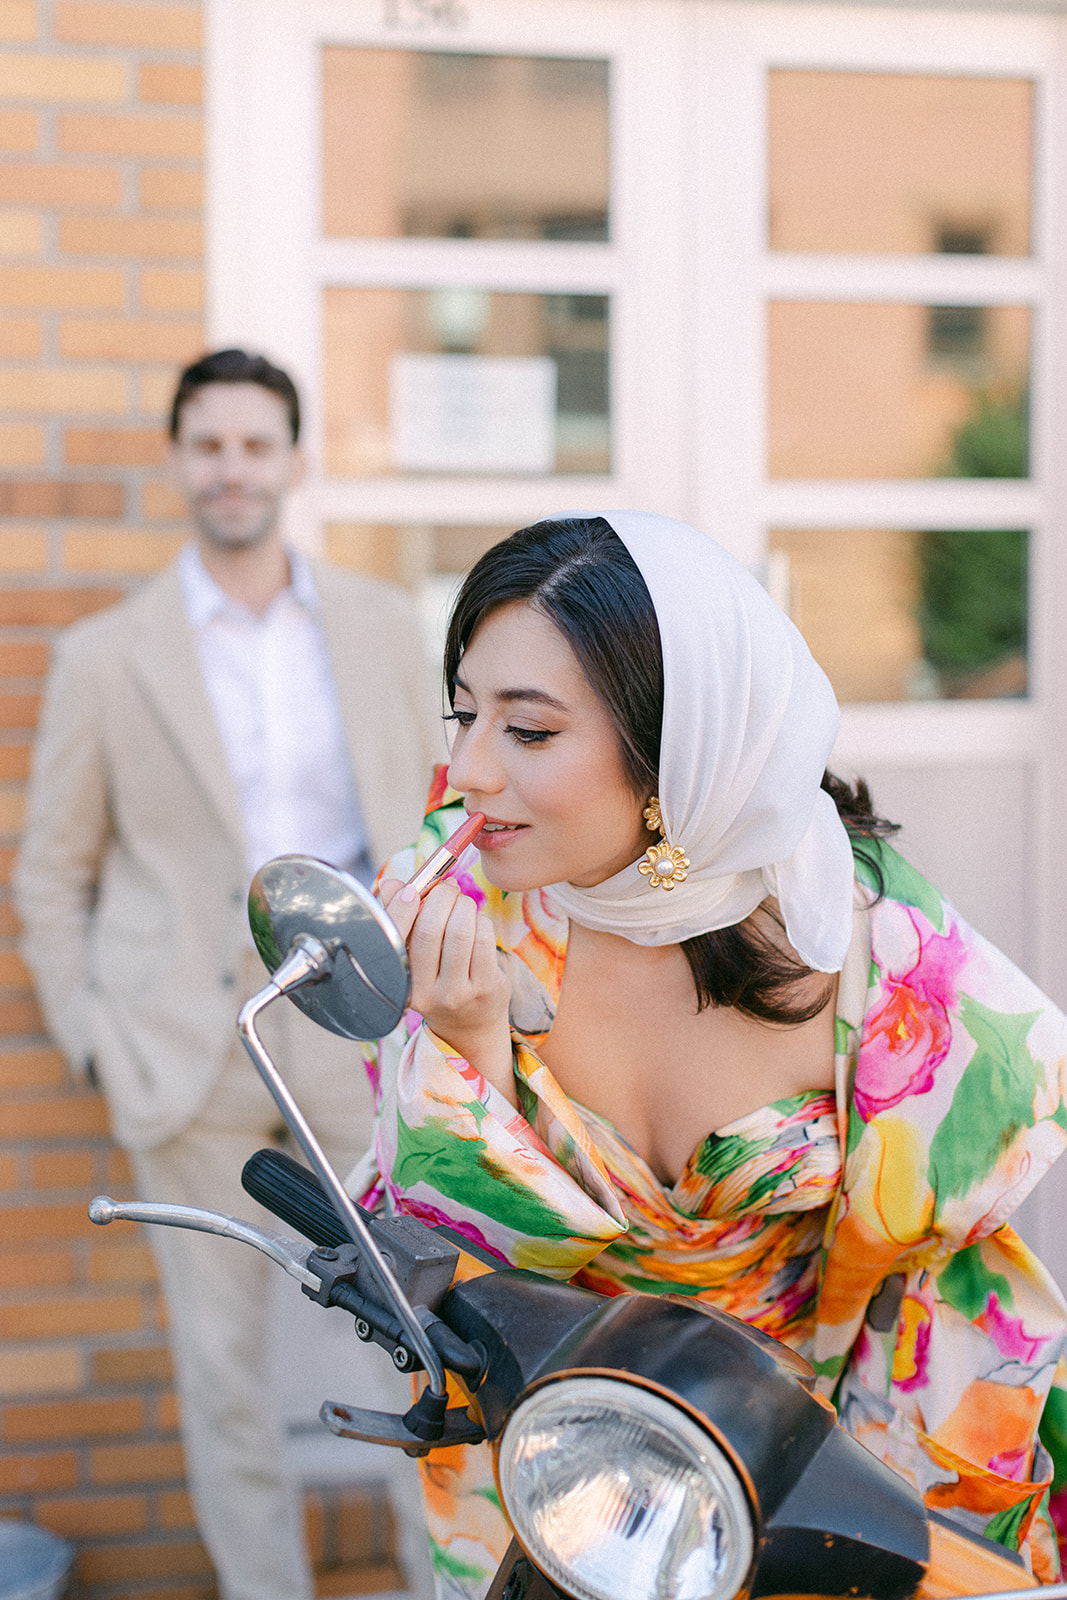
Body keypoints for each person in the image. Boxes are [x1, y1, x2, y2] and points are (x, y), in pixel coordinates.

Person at [353, 510, 1067, 1600]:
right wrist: (465, 1051)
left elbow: (953, 1220)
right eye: (462, 713)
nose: (464, 771)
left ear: (673, 749)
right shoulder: (465, 910)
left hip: (821, 1465)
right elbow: (452, 1276)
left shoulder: (870, 951)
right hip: (568, 1478)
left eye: (527, 731)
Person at [14, 349, 441, 1600]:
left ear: (296, 461)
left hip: (357, 1045)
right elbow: (52, 871)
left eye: (257, 445)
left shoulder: (375, 625)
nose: (233, 469)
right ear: (177, 464)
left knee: (414, 1352)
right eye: (209, 445)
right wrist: (93, 1033)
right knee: (223, 1377)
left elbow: (434, 818)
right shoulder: (107, 654)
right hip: (181, 1057)